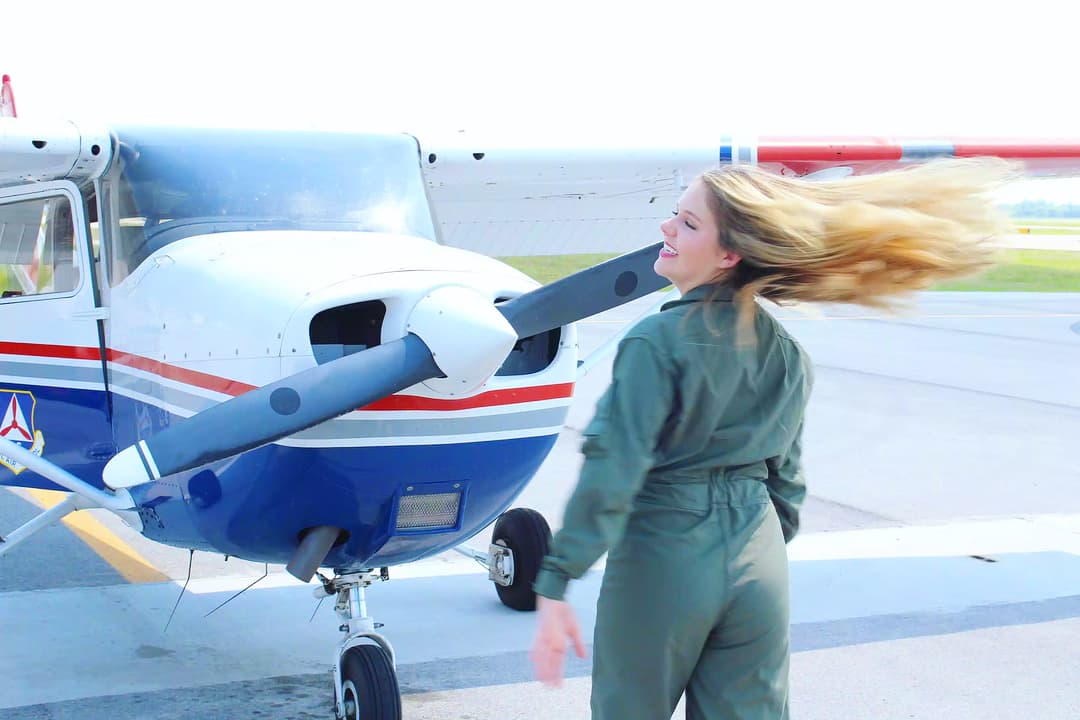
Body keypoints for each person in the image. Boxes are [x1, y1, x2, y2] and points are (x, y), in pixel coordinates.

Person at [529, 158, 1015, 719]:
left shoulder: (655, 342)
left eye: (688, 223)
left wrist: (559, 575)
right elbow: (787, 482)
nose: (667, 227)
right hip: (759, 561)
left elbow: (614, 469)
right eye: (675, 214)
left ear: (729, 255)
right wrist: (748, 551)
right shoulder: (787, 352)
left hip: (665, 552)